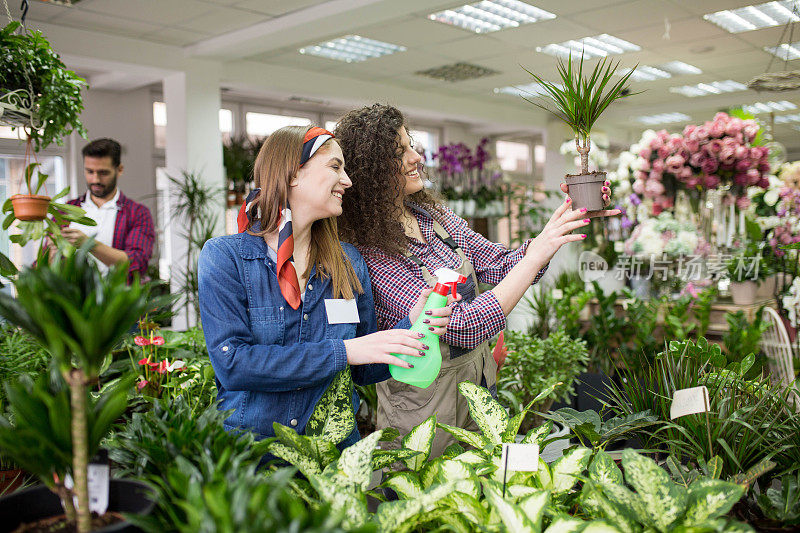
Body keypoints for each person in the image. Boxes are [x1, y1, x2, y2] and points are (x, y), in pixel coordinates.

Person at [335, 104, 619, 456]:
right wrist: (535, 256)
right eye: (401, 152)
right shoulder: (369, 250)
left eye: (412, 145)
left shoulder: (432, 217)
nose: (416, 157)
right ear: (371, 170)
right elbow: (461, 326)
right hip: (423, 409)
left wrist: (558, 225)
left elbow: (499, 264)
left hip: (480, 386)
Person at [201, 126, 455, 448]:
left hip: (334, 460)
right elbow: (233, 365)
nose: (347, 181)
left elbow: (364, 369)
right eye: (335, 167)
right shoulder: (226, 258)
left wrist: (413, 325)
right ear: (292, 174)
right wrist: (343, 352)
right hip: (253, 462)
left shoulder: (348, 262)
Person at [63, 138, 154, 283]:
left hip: (117, 302)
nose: (95, 179)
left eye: (103, 173)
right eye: (89, 171)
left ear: (119, 170)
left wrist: (88, 244)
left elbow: (137, 263)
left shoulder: (137, 213)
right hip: (71, 301)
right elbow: (45, 264)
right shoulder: (67, 210)